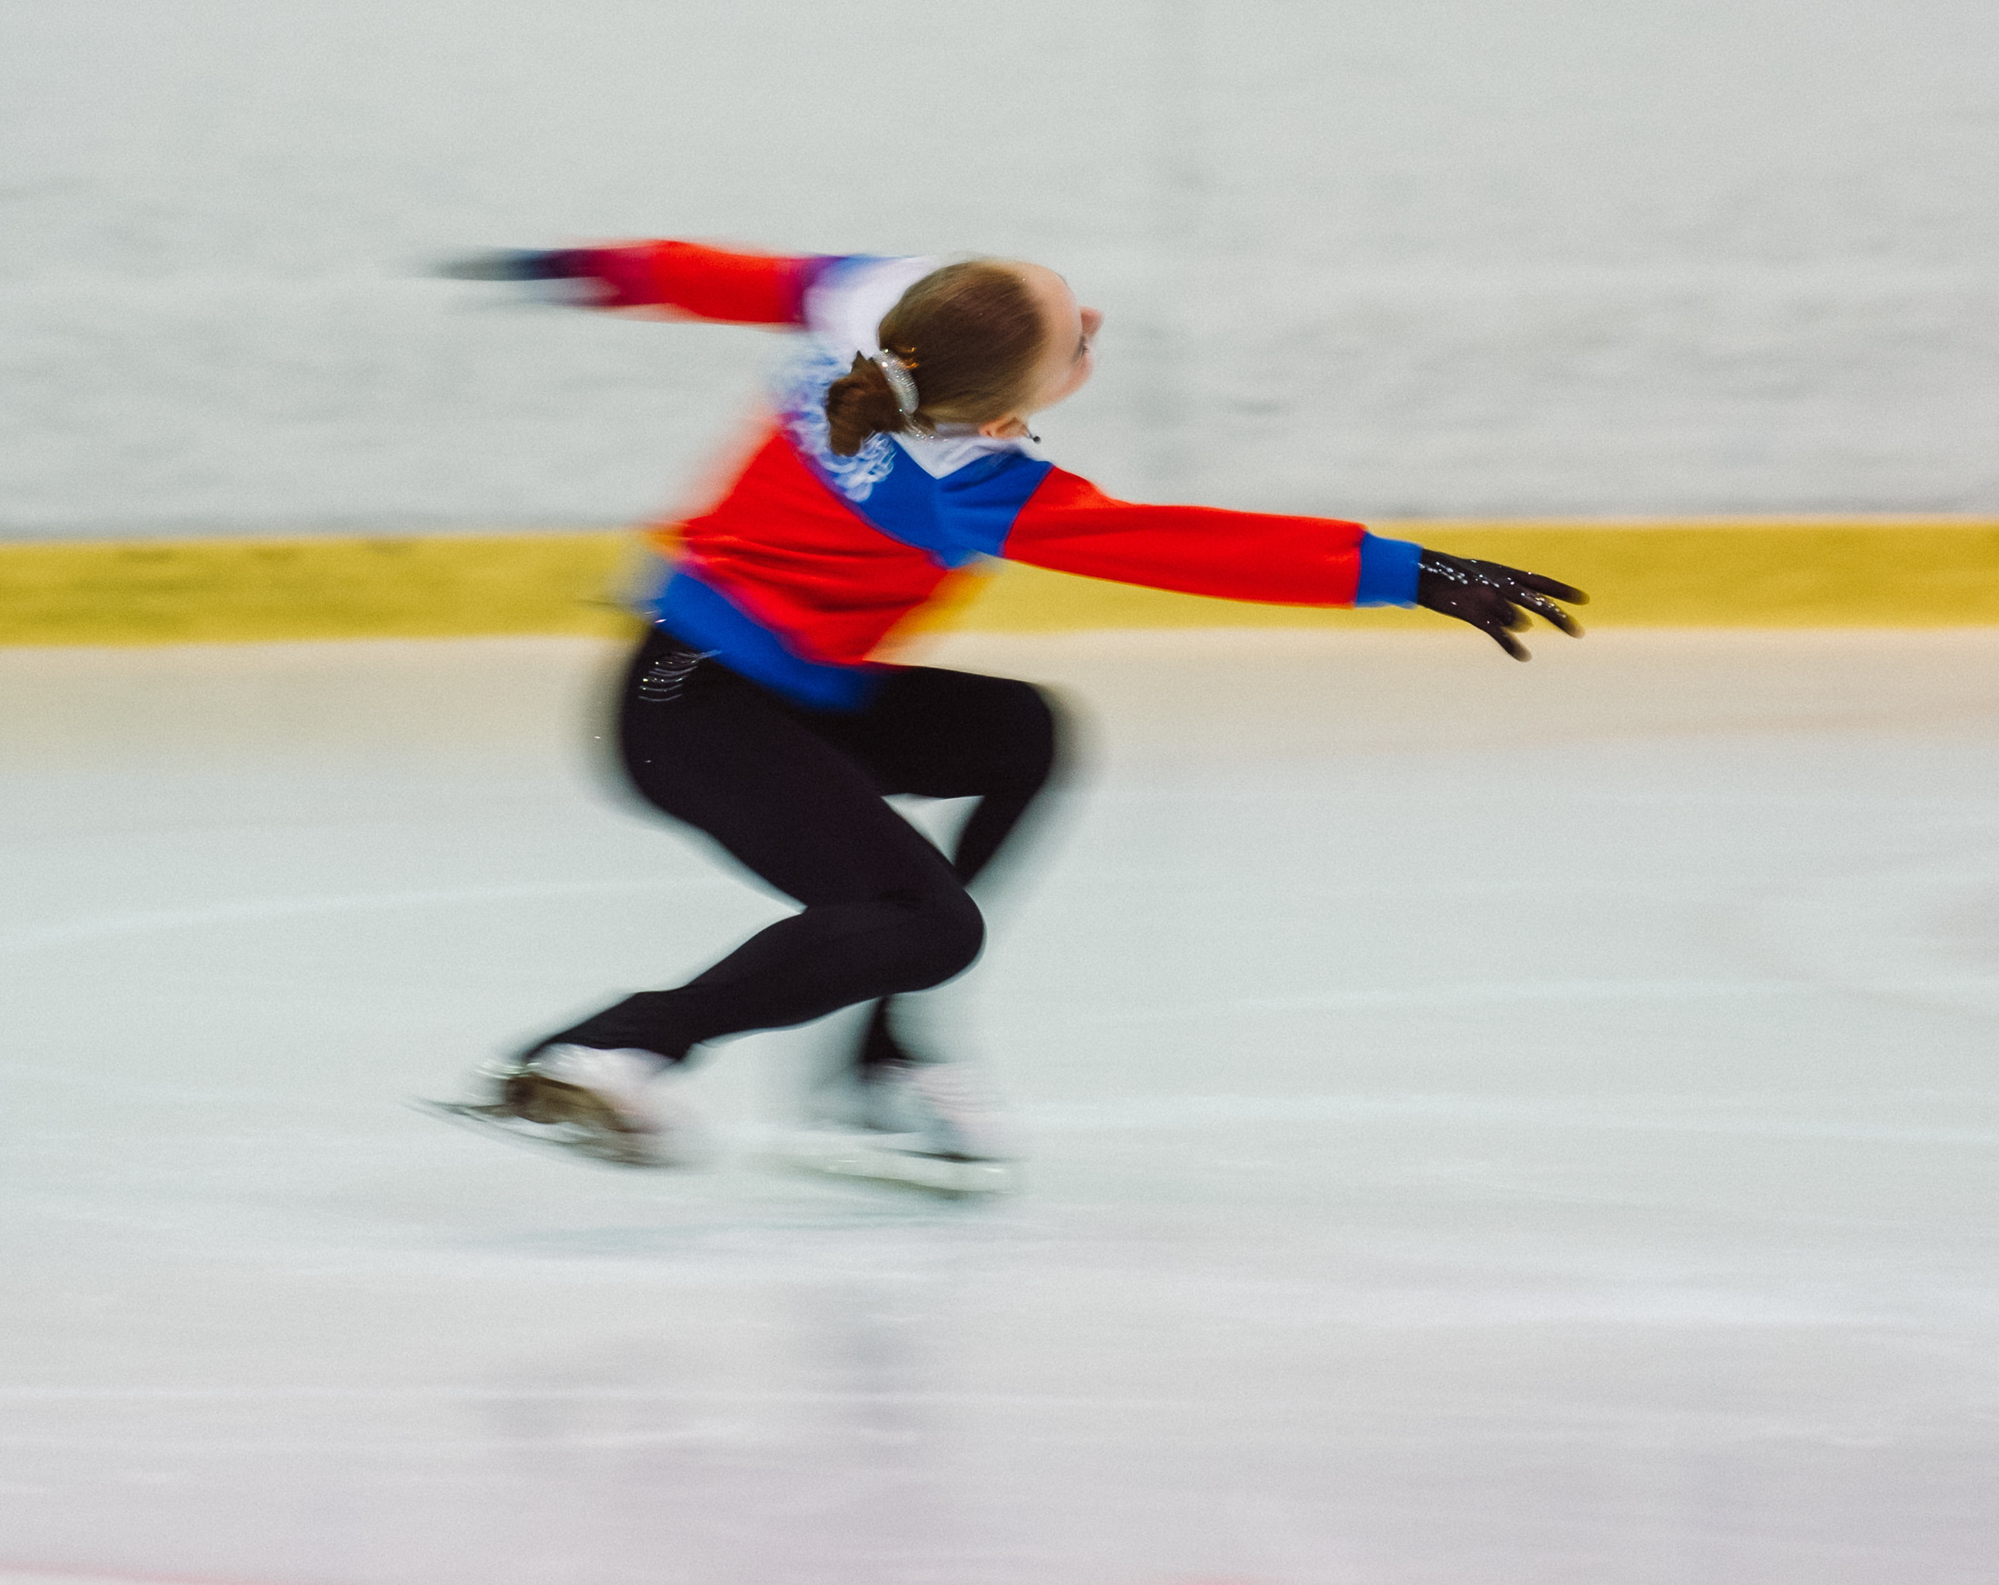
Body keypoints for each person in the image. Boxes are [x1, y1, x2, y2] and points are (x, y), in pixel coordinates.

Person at [427, 241, 1583, 1190]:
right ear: (1011, 400)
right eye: (1077, 337)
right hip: (684, 702)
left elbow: (721, 278)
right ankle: (611, 1050)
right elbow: (1184, 546)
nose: (1095, 321)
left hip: (765, 682)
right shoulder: (970, 481)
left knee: (1017, 735)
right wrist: (1412, 573)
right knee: (925, 921)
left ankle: (874, 1069)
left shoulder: (871, 307)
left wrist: (590, 267)